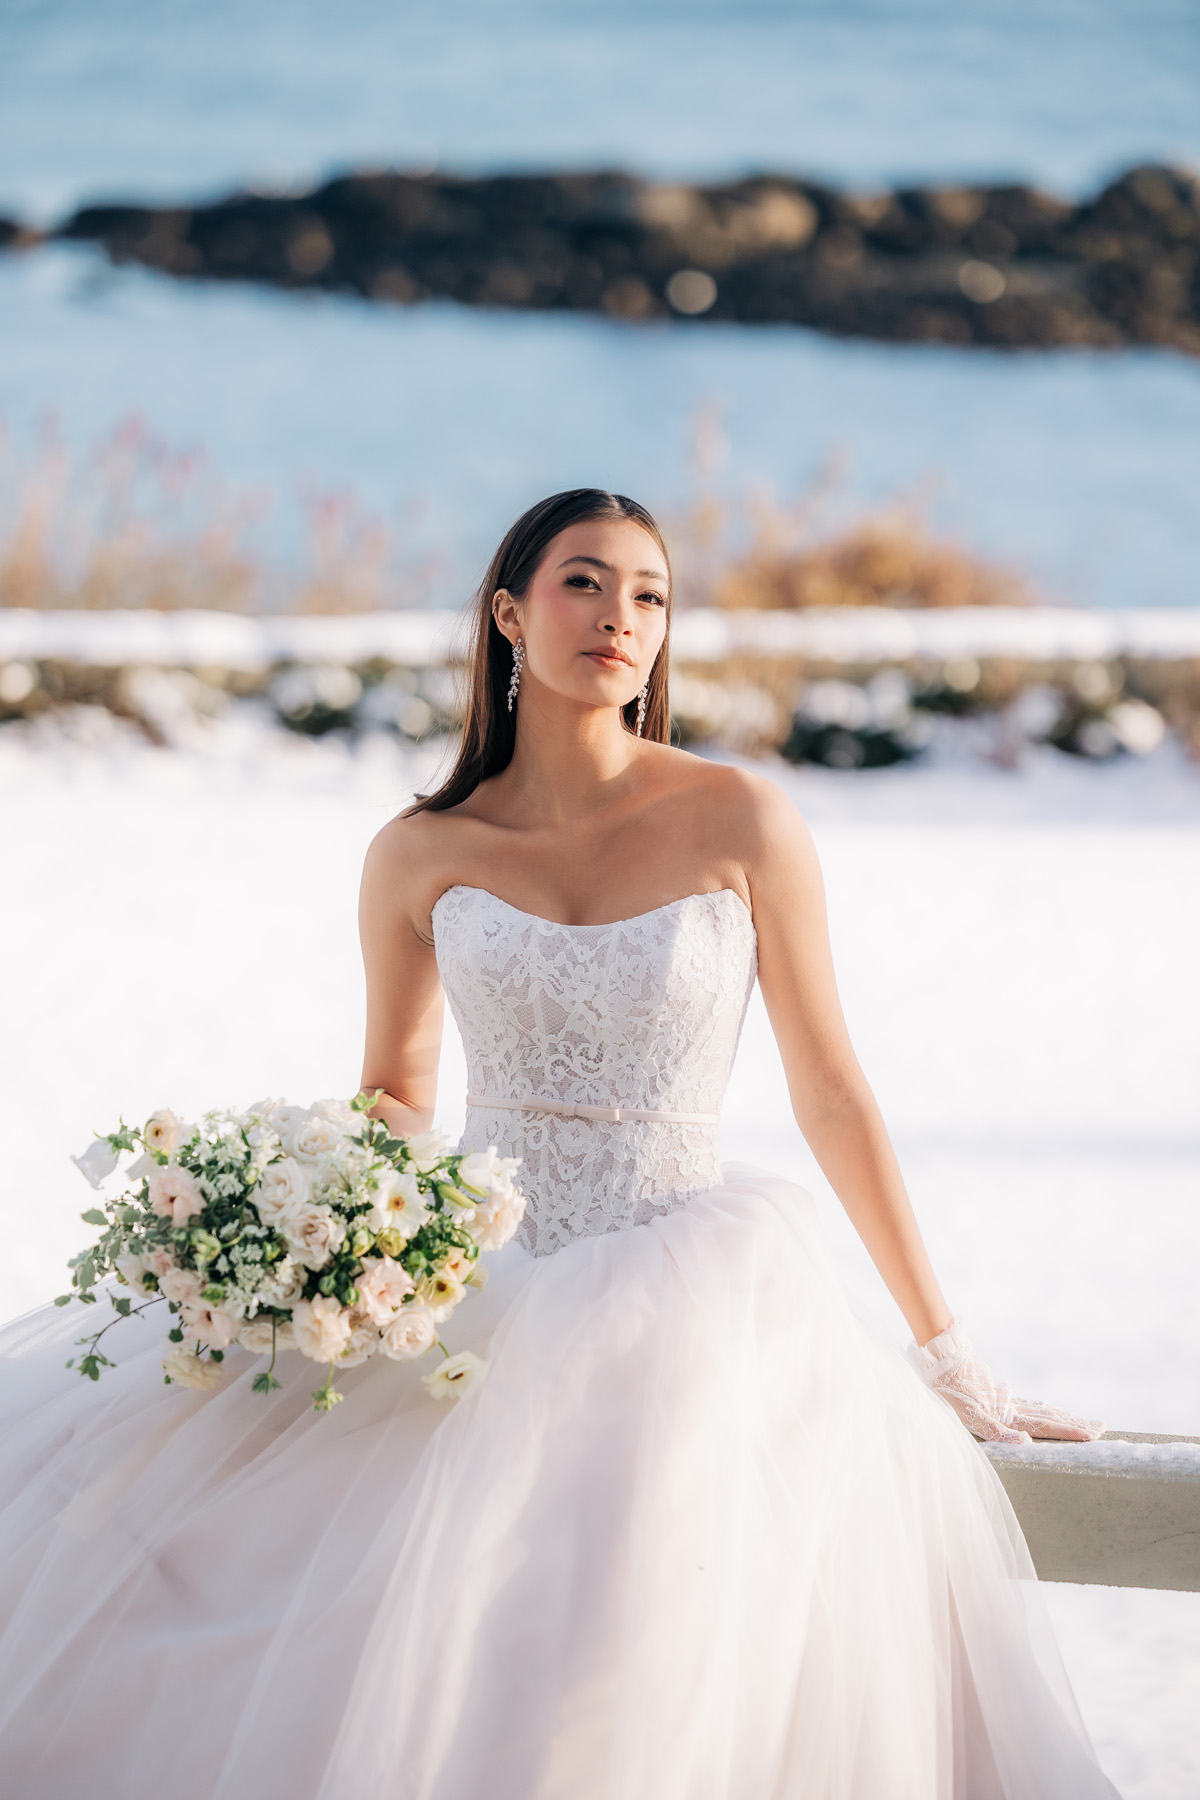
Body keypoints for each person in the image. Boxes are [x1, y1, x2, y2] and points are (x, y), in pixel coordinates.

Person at [0, 488, 1117, 1799]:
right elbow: (395, 1094)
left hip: (696, 1294)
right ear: (509, 613)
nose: (619, 618)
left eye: (650, 595)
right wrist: (308, 1235)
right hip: (480, 1276)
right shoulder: (420, 849)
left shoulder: (744, 820)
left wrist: (947, 1353)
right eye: (584, 582)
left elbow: (832, 1094)